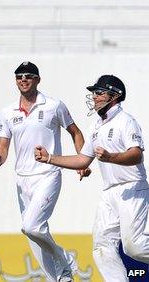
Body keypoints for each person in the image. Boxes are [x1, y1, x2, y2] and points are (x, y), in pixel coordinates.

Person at [35, 75, 149, 281]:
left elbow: (136, 154)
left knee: (136, 247)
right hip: (109, 192)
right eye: (93, 93)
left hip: (132, 188)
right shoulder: (95, 126)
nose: (94, 97)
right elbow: (82, 160)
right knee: (102, 247)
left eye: (99, 93)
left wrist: (110, 157)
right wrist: (49, 158)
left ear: (114, 96)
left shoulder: (126, 121)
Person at [0, 61, 91, 281]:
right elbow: (3, 148)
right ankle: (61, 278)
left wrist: (83, 161)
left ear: (37, 79)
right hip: (22, 179)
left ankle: (65, 260)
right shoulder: (7, 112)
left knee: (31, 226)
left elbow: (75, 132)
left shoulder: (54, 106)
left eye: (28, 76)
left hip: (48, 175)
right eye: (19, 77)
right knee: (32, 235)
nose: (23, 79)